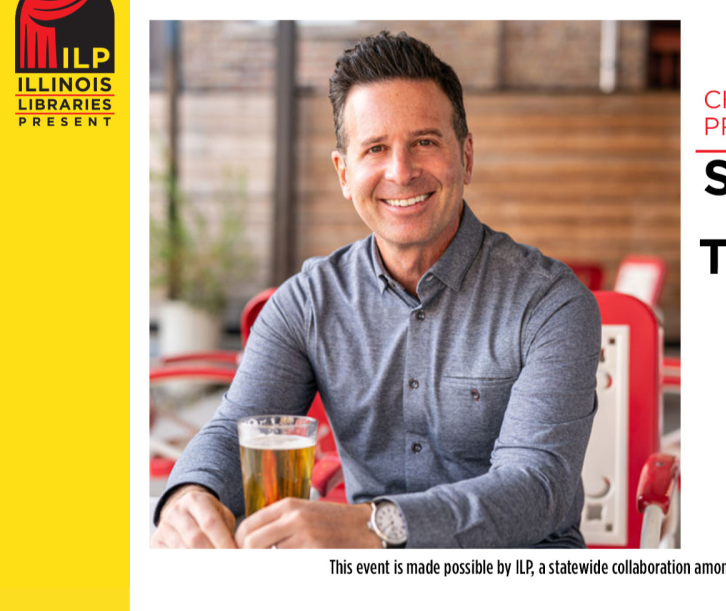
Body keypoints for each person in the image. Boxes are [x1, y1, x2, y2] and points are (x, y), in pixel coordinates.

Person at [151, 31, 601, 549]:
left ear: (467, 157)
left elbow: (535, 487)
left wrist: (376, 525)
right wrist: (191, 492)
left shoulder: (550, 302)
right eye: (375, 148)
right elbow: (236, 428)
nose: (401, 171)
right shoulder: (307, 302)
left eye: (425, 142)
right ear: (345, 173)